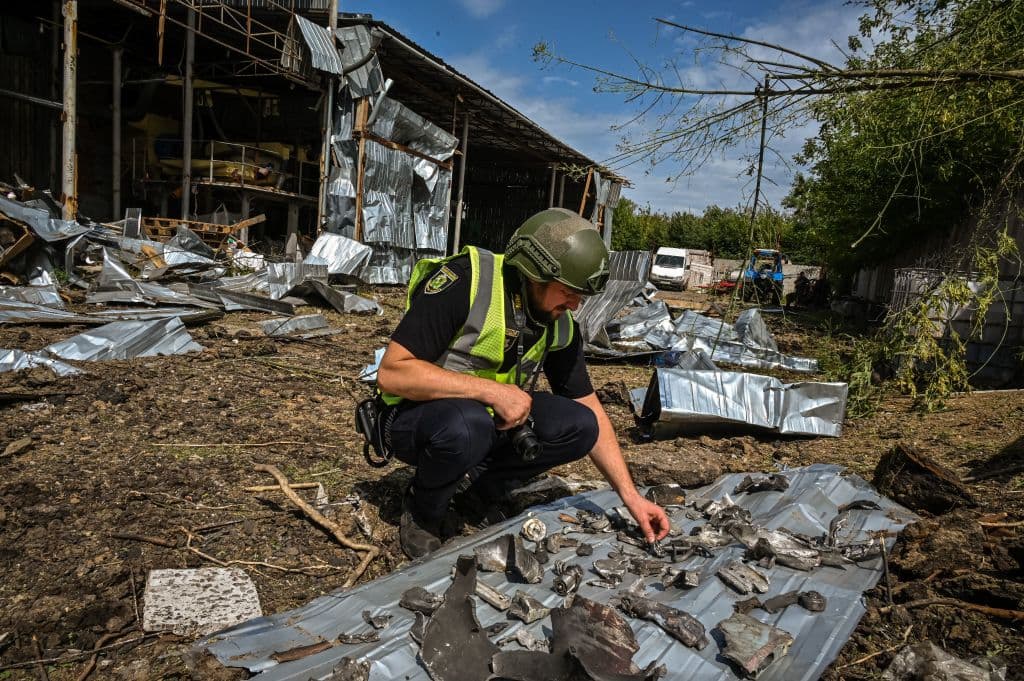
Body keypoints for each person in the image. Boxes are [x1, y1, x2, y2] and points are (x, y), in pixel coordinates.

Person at [376, 207, 671, 559]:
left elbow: (587, 404)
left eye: (581, 296)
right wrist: (492, 391)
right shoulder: (467, 282)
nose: (574, 305)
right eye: (567, 292)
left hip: (486, 422)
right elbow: (392, 373)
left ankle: (477, 494)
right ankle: (424, 511)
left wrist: (631, 496)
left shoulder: (559, 322)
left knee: (579, 424)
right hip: (418, 420)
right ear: (535, 274)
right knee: (466, 426)